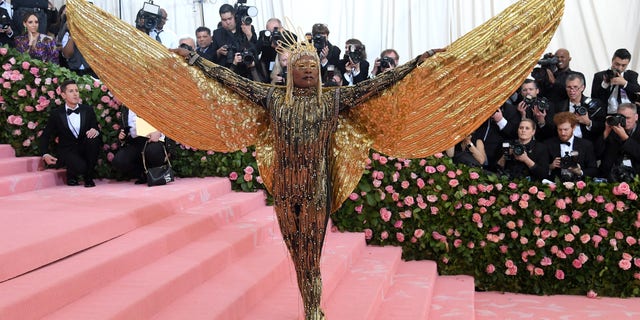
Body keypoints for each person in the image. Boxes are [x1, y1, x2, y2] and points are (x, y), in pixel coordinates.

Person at [172, 37, 443, 319]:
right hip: (285, 189)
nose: (308, 69)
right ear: (291, 71)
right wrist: (194, 59)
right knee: (297, 255)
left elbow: (374, 86)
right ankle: (311, 306)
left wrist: (415, 63)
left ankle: (313, 311)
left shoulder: (333, 99)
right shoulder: (272, 98)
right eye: (301, 65)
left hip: (316, 188)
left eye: (313, 64)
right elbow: (232, 81)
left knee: (310, 256)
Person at [39, 79, 101, 187]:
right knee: (81, 167)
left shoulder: (87, 110)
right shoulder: (56, 113)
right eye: (71, 91)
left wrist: (95, 130)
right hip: (68, 150)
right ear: (63, 95)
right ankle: (72, 173)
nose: (75, 94)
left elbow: (95, 127)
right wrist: (45, 154)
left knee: (94, 139)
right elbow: (46, 135)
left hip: (85, 148)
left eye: (77, 90)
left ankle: (89, 177)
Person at [112, 106, 168, 185]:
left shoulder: (154, 99)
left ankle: (157, 174)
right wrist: (122, 137)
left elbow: (167, 121)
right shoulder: (126, 106)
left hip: (153, 140)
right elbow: (124, 128)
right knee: (119, 161)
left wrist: (159, 132)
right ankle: (142, 174)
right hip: (135, 142)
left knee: (153, 151)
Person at [211, 4, 262, 80]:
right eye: (224, 20)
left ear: (234, 16)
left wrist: (249, 35)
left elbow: (257, 51)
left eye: (230, 18)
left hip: (248, 72)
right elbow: (212, 57)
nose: (228, 22)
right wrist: (218, 52)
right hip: (228, 73)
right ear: (220, 19)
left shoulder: (246, 27)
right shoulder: (217, 34)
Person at [545, 111, 598, 181]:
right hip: (554, 185)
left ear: (573, 127)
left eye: (566, 129)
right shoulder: (548, 144)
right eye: (560, 130)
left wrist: (580, 172)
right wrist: (551, 166)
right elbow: (540, 169)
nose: (563, 133)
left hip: (579, 186)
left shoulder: (586, 145)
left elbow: (594, 170)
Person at [555, 73, 605, 143]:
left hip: (587, 144)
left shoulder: (595, 104)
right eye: (569, 87)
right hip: (565, 142)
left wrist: (588, 122)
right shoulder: (559, 106)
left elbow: (602, 126)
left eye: (575, 87)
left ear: (582, 88)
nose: (572, 91)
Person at [598, 103, 640, 181]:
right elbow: (596, 154)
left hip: (636, 176)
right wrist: (606, 132)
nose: (624, 121)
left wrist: (625, 137)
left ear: (636, 117)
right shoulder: (612, 128)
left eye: (628, 118)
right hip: (609, 175)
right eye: (621, 118)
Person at [591, 48, 640, 114]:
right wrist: (605, 84)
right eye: (617, 64)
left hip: (629, 113)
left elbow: (637, 89)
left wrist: (624, 83)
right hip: (609, 113)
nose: (620, 68)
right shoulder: (600, 76)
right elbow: (595, 98)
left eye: (623, 65)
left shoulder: (631, 75)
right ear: (612, 60)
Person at [56, 5, 95, 77]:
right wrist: (73, 35)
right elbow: (67, 55)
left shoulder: (94, 31)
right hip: (74, 71)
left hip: (93, 72)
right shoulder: (66, 29)